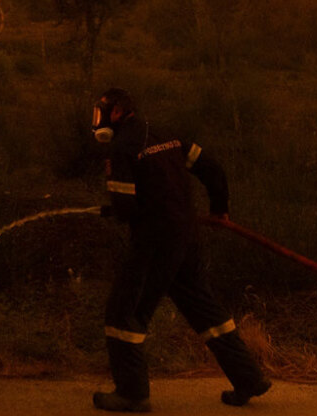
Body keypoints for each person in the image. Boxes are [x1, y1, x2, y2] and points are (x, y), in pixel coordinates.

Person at [91, 88, 270, 412]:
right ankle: (248, 378)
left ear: (115, 113)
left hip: (154, 242)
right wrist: (219, 208)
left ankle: (132, 393)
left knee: (124, 313)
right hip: (186, 235)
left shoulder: (123, 148)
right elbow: (212, 168)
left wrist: (116, 210)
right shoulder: (167, 135)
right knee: (203, 308)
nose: (98, 120)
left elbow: (126, 207)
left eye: (100, 112)